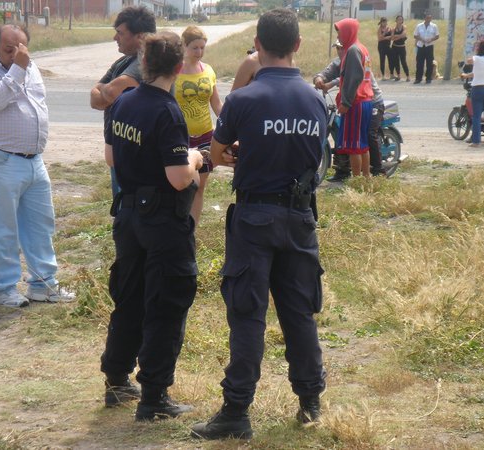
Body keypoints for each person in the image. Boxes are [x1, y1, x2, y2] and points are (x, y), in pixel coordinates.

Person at [191, 8, 327, 440]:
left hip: (254, 217)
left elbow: (216, 152)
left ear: (258, 46)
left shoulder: (243, 99)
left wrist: (235, 154)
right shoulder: (315, 99)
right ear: (298, 46)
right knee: (299, 312)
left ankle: (236, 412)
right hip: (301, 216)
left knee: (248, 315)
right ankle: (311, 403)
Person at [100, 31, 204, 421]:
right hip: (162, 220)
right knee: (166, 302)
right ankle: (155, 396)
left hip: (128, 215)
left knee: (129, 296)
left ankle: (116, 377)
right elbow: (179, 177)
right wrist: (195, 157)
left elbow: (111, 157)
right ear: (178, 68)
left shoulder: (124, 101)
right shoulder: (167, 111)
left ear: (144, 63)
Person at [0, 25, 75, 308]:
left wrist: (22, 67)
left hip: (34, 160)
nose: (15, 53)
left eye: (21, 47)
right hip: (0, 160)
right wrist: (18, 68)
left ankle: (43, 285)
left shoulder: (31, 67)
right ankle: (4, 289)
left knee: (41, 224)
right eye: (9, 48)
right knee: (3, 229)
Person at [90, 6, 156, 198]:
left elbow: (108, 92)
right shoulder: (123, 62)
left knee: (130, 214)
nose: (115, 38)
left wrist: (106, 90)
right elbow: (95, 99)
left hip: (134, 157)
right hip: (121, 154)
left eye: (120, 33)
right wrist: (106, 91)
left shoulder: (143, 64)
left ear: (140, 37)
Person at [313, 39, 386, 181]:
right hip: (353, 102)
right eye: (337, 49)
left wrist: (331, 84)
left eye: (342, 47)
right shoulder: (341, 60)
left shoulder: (356, 56)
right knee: (343, 134)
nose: (340, 51)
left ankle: (378, 170)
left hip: (373, 102)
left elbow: (353, 79)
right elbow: (328, 72)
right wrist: (319, 78)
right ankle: (343, 170)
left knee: (367, 135)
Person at [174, 26, 223, 223]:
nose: (199, 52)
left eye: (202, 47)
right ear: (184, 45)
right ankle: (176, 224)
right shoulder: (173, 71)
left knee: (199, 186)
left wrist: (231, 125)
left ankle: (191, 229)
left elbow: (217, 104)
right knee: (180, 184)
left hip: (204, 135)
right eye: (195, 48)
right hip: (179, 137)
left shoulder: (208, 71)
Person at [335, 18, 374, 177]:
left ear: (348, 32)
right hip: (365, 101)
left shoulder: (352, 50)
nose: (338, 37)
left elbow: (353, 78)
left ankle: (357, 181)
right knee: (363, 145)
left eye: (340, 33)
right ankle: (366, 179)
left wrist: (345, 102)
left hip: (355, 102)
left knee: (353, 147)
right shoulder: (362, 48)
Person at [460, 39, 484, 147]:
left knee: (476, 115)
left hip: (478, 88)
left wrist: (475, 52)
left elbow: (468, 61)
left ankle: (476, 141)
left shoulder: (476, 59)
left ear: (480, 48)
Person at [413, 12, 439, 84]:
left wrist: (431, 39)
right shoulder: (419, 26)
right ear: (424, 18)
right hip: (421, 46)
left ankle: (428, 78)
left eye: (430, 18)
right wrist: (421, 39)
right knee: (419, 63)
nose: (429, 19)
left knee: (429, 63)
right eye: (427, 18)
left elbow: (437, 36)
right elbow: (415, 35)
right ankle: (418, 78)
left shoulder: (434, 26)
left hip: (429, 46)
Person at [390, 15, 410, 82]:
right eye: (398, 19)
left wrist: (396, 36)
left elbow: (404, 35)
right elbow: (392, 38)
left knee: (403, 62)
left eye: (401, 19)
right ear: (396, 20)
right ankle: (398, 76)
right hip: (395, 47)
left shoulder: (404, 27)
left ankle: (408, 76)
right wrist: (399, 36)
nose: (399, 21)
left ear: (402, 21)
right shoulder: (393, 29)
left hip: (402, 47)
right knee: (396, 62)